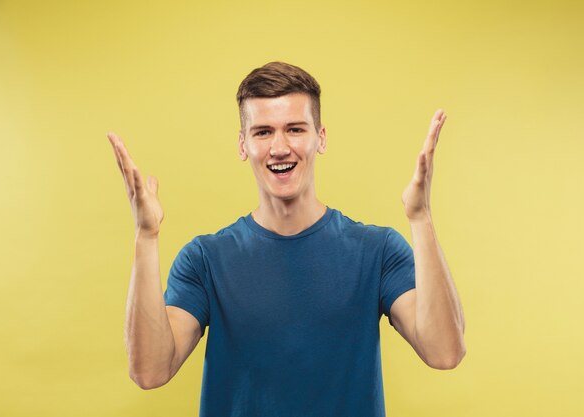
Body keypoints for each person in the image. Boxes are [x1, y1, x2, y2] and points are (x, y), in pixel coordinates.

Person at [107, 61, 465, 416]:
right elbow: (150, 371)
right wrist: (146, 237)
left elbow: (445, 352)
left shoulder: (377, 251)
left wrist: (421, 219)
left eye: (295, 129)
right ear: (243, 144)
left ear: (320, 138)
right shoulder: (205, 259)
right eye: (263, 132)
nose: (279, 147)